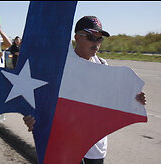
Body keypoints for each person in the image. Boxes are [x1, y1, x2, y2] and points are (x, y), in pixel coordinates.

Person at [22, 16, 147, 164]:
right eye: (90, 38)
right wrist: (32, 116)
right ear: (76, 37)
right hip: (64, 143)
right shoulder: (60, 66)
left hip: (95, 147)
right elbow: (38, 97)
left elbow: (112, 98)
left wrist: (134, 99)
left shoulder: (103, 65)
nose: (96, 44)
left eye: (99, 39)